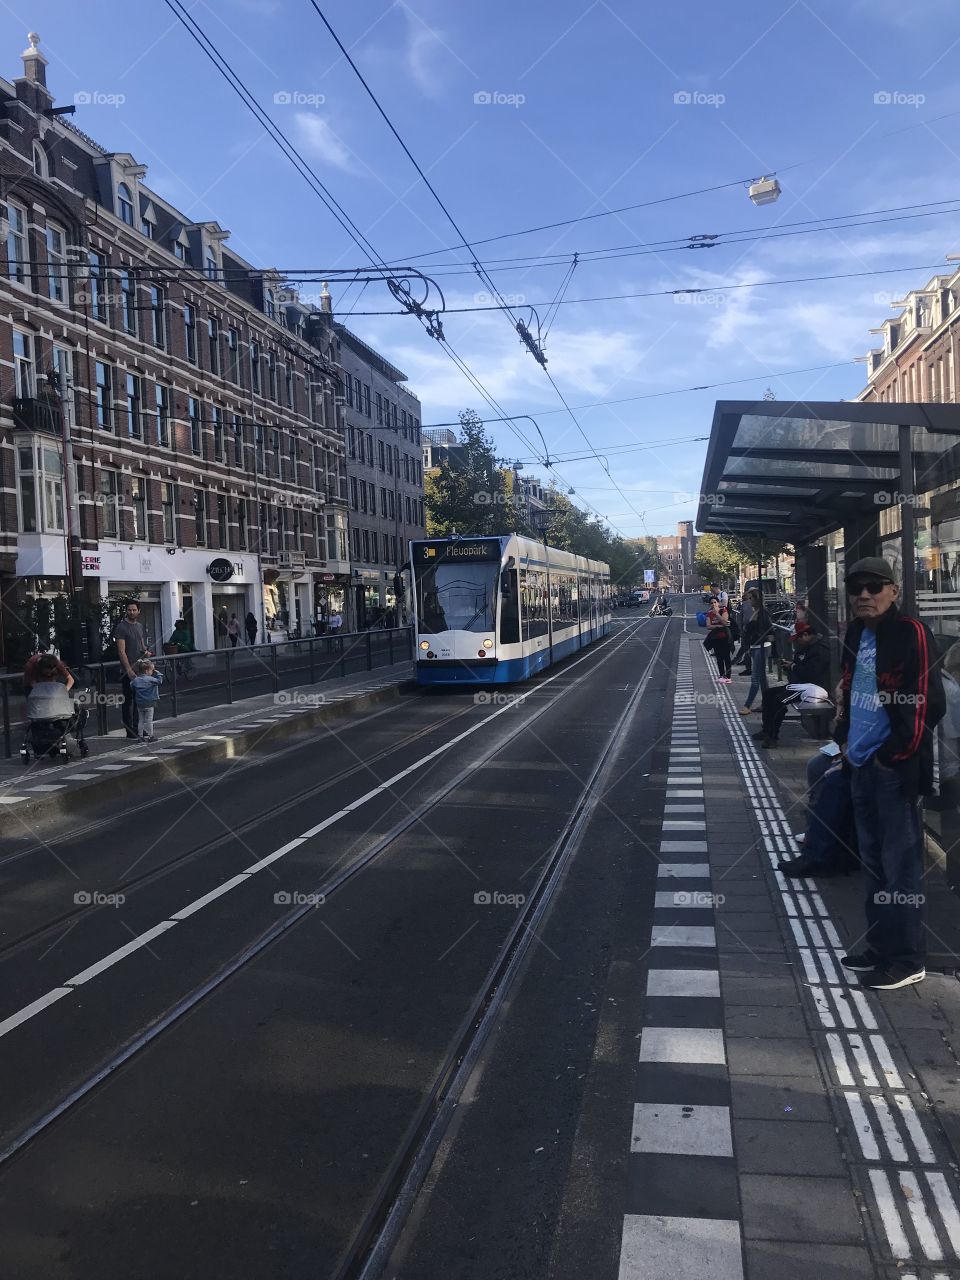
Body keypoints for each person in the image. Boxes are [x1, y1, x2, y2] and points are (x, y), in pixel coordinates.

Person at [836, 557, 945, 991]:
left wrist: (894, 755)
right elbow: (849, 686)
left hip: (892, 771)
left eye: (874, 587)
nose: (864, 594)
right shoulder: (855, 632)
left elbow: (926, 701)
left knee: (900, 867)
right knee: (875, 863)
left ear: (894, 591)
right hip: (860, 763)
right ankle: (880, 946)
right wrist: (845, 741)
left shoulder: (911, 632)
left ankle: (906, 958)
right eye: (857, 588)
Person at [779, 745, 856, 878]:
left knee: (835, 781)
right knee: (817, 765)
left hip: (868, 757)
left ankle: (818, 856)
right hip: (850, 750)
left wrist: (847, 760)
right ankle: (814, 831)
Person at [753, 621, 832, 747]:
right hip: (799, 685)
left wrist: (793, 666)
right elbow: (801, 665)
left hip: (812, 688)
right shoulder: (807, 647)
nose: (796, 642)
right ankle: (766, 730)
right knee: (768, 694)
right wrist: (791, 665)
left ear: (805, 635)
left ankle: (772, 737)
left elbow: (811, 673)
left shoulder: (820, 649)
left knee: (778, 700)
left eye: (797, 639)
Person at [113, 601, 151, 740]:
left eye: (134, 610)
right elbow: (121, 651)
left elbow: (141, 644)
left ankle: (139, 728)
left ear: (139, 611)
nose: (131, 612)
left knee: (140, 701)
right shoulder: (121, 628)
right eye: (129, 610)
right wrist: (128, 670)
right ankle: (130, 731)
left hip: (140, 668)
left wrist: (146, 652)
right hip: (128, 670)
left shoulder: (139, 626)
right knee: (128, 700)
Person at [739, 589, 773, 716]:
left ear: (756, 599)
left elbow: (770, 630)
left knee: (755, 678)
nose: (749, 601)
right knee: (762, 679)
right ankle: (767, 704)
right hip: (755, 647)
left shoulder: (763, 613)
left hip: (762, 647)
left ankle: (747, 705)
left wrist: (759, 638)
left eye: (751, 598)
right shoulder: (756, 612)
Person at [25, 654, 76, 722]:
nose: (48, 674)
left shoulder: (58, 664)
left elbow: (71, 680)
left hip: (51, 682)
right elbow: (33, 684)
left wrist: (64, 691)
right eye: (46, 673)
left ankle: (56, 721)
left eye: (50, 672)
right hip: (33, 682)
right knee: (36, 705)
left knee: (54, 703)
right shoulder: (30, 666)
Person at [130, 658, 163, 742]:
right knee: (149, 720)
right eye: (151, 670)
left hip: (139, 703)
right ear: (147, 671)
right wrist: (158, 673)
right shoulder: (150, 679)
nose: (152, 672)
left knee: (140, 720)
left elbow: (131, 686)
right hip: (149, 703)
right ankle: (150, 736)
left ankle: (140, 737)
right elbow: (159, 681)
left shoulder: (136, 680)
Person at [705, 595, 733, 682]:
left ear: (718, 603)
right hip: (715, 638)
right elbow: (708, 626)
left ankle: (728, 677)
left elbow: (725, 622)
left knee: (726, 657)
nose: (713, 604)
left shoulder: (723, 610)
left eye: (715, 602)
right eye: (711, 603)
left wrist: (717, 614)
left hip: (725, 638)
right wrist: (718, 626)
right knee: (719, 658)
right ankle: (721, 676)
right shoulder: (709, 613)